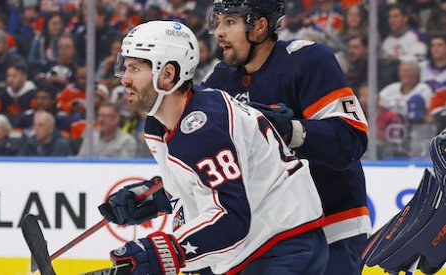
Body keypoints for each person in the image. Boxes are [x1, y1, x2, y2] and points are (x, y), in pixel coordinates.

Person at [99, 20, 327, 275]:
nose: (124, 79)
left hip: (282, 247)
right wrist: (154, 196)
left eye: (135, 68)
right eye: (124, 66)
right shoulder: (161, 122)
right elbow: (213, 180)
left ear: (167, 75)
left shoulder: (205, 128)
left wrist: (165, 252)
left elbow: (231, 219)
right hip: (253, 250)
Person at [203, 1, 369, 274]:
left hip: (331, 226)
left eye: (230, 22)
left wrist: (290, 131)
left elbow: (351, 140)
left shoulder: (307, 61)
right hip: (266, 236)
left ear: (259, 26)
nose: (218, 32)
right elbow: (205, 160)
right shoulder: (219, 81)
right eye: (217, 21)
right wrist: (155, 195)